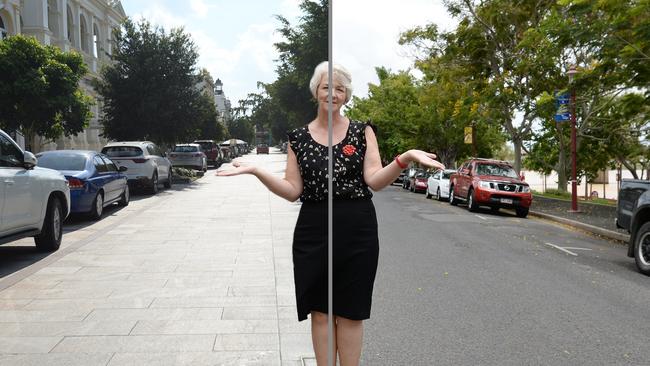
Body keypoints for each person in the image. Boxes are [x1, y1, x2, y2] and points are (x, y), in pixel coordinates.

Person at [217, 61, 445, 366]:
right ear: (316, 91)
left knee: (351, 312)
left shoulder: (362, 132)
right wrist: (257, 171)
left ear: (347, 95)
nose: (333, 93)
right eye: (327, 87)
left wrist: (403, 159)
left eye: (340, 89)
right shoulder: (297, 138)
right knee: (321, 311)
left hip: (357, 229)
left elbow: (375, 180)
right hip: (313, 229)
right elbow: (292, 190)